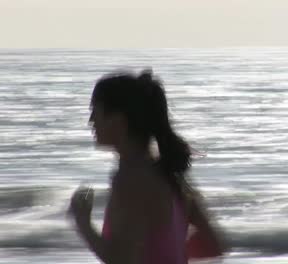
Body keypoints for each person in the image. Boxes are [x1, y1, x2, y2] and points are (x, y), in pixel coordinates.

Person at [68, 69, 225, 264]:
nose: (91, 121)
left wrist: (83, 224)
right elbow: (214, 245)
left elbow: (121, 260)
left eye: (95, 111)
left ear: (119, 120)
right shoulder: (171, 175)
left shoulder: (131, 180)